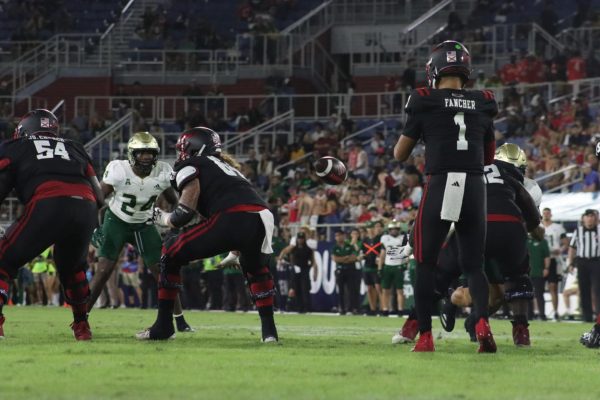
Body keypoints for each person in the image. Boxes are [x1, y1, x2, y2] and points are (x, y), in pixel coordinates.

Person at [393, 41, 498, 352]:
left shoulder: (424, 98)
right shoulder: (483, 101)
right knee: (474, 265)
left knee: (425, 263)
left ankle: (424, 336)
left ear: (435, 70)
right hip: (475, 185)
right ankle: (482, 324)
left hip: (441, 183)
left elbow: (400, 154)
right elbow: (489, 157)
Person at [137, 126, 278, 342]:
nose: (180, 155)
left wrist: (163, 218)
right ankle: (270, 334)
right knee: (257, 271)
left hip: (233, 217)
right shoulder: (230, 168)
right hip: (262, 218)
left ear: (193, 148)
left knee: (169, 252)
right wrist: (237, 247)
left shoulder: (193, 164)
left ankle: (164, 326)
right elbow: (243, 202)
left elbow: (184, 213)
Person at [0, 109, 104, 340]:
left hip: (48, 203)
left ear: (25, 129)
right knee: (73, 270)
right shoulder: (75, 147)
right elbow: (100, 196)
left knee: (3, 260)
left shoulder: (14, 146)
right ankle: (82, 327)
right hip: (85, 207)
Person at [87, 132, 194, 333]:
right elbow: (97, 200)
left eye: (150, 153)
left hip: (144, 223)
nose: (146, 157)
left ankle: (179, 319)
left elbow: (174, 201)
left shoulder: (163, 172)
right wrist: (95, 227)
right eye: (141, 153)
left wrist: (175, 225)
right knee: (103, 271)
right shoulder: (118, 169)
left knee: (163, 273)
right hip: (116, 221)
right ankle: (81, 318)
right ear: (131, 154)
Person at [567, 209, 600, 323]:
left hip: (596, 262)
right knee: (584, 289)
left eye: (592, 216)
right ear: (583, 218)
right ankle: (587, 317)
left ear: (595, 218)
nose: (590, 218)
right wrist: (570, 263)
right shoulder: (578, 231)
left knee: (597, 289)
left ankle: (598, 316)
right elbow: (572, 248)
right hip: (582, 263)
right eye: (588, 216)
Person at [278, 231, 317, 313]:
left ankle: (307, 308)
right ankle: (299, 308)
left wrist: (315, 272)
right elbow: (284, 251)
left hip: (304, 270)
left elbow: (313, 261)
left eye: (302, 238)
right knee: (297, 289)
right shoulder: (293, 247)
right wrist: (280, 259)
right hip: (295, 270)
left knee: (305, 289)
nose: (300, 240)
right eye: (299, 238)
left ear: (304, 239)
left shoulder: (308, 249)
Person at [378, 220, 408, 316]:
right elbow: (382, 254)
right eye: (392, 229)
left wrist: (405, 263)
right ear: (389, 230)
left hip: (398, 265)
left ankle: (400, 310)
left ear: (399, 229)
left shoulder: (403, 238)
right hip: (388, 265)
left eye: (396, 229)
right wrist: (379, 267)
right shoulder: (384, 238)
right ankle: (385, 309)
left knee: (400, 290)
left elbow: (407, 252)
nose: (394, 231)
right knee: (385, 290)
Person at [541, 207, 567, 320]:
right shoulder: (537, 227)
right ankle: (540, 312)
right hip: (539, 260)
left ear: (551, 214)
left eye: (548, 213)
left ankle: (555, 312)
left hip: (553, 259)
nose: (546, 215)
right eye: (544, 213)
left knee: (553, 286)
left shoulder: (558, 227)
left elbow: (566, 243)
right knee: (538, 287)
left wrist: (560, 250)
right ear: (542, 215)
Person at [332, 230, 359, 315]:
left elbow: (354, 258)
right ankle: (342, 308)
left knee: (352, 290)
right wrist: (346, 258)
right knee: (341, 290)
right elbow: (335, 259)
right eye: (337, 236)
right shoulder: (334, 247)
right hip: (340, 270)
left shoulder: (349, 246)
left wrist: (342, 259)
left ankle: (352, 308)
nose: (338, 237)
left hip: (350, 269)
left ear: (343, 236)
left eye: (340, 235)